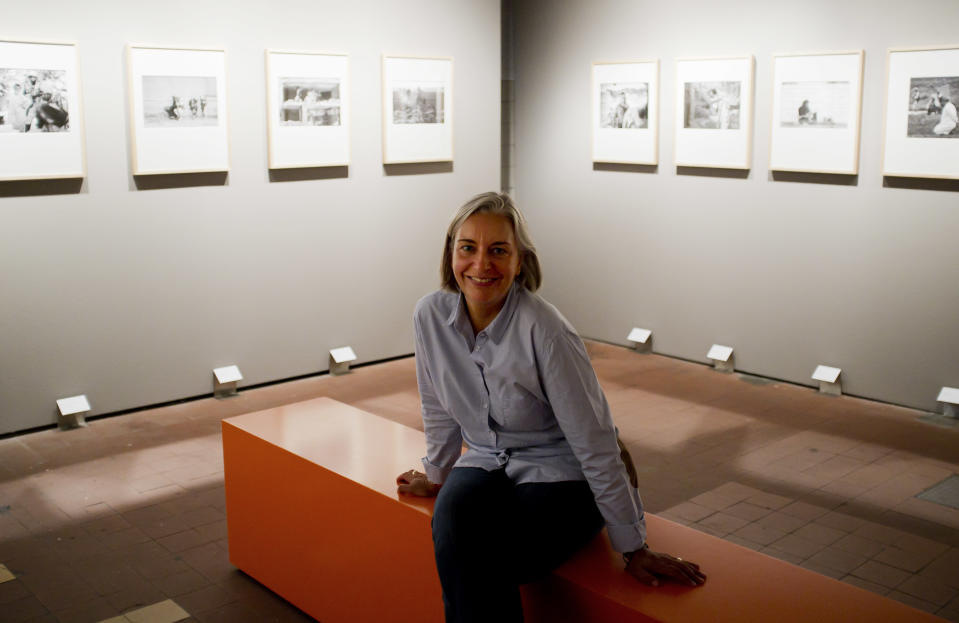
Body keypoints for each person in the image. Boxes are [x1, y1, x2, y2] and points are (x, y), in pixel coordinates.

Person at [397, 192, 705, 623]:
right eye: (468, 248)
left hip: (562, 466)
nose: (481, 264)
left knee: (498, 556)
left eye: (498, 251)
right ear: (451, 253)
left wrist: (632, 545)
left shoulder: (545, 330)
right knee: (449, 530)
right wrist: (437, 473)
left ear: (520, 261)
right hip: (486, 459)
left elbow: (594, 439)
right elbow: (438, 405)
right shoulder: (429, 315)